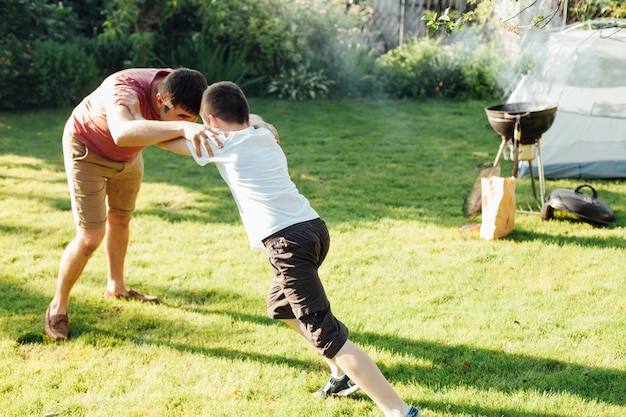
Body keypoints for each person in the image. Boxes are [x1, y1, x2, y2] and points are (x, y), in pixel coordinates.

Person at [121, 81, 421, 417]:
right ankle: (339, 375)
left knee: (328, 335)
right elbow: (252, 117)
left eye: (205, 124)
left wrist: (166, 124)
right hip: (313, 228)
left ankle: (399, 410)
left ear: (213, 123)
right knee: (281, 306)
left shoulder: (221, 142)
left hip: (287, 243)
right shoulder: (263, 133)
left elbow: (162, 142)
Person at [44, 68, 275, 342]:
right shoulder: (124, 89)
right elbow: (122, 133)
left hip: (129, 157)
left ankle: (116, 287)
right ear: (158, 101)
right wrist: (183, 127)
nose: (189, 122)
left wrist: (257, 122)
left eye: (191, 118)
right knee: (90, 237)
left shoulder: (184, 87)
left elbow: (222, 112)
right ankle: (57, 308)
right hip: (88, 150)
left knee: (121, 218)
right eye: (180, 116)